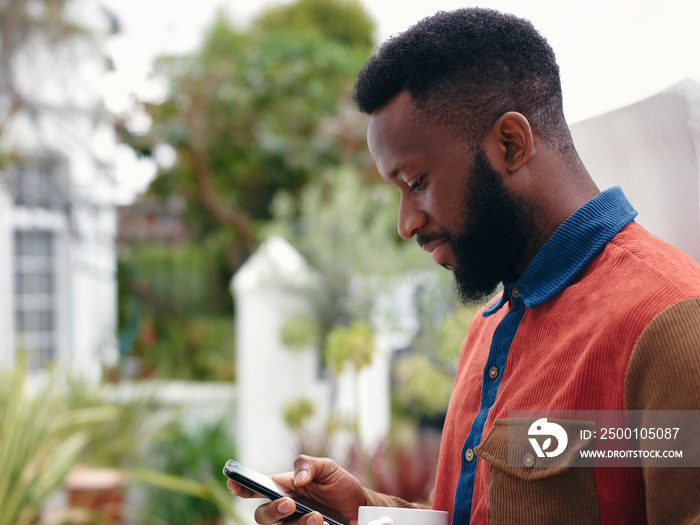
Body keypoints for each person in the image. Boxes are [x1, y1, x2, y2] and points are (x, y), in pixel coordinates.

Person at [227, 7, 700, 525]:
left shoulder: (671, 323)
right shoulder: (488, 329)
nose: (405, 223)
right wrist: (362, 513)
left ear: (510, 145)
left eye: (417, 182)